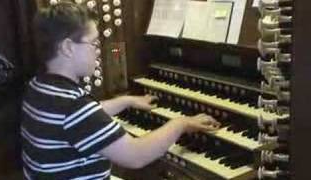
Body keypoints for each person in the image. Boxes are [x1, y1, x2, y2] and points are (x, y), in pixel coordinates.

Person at [21, 2, 220, 179]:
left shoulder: (39, 87)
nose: (98, 50)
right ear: (68, 48)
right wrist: (181, 123)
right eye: (93, 43)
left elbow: (84, 117)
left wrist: (127, 101)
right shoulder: (75, 106)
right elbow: (136, 155)